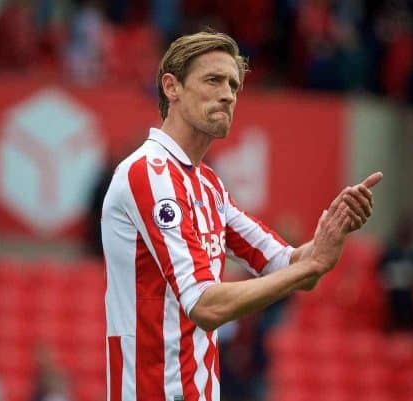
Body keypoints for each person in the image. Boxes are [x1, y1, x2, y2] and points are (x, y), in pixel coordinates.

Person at [101, 30, 383, 401]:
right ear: (172, 87)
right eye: (213, 80)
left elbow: (287, 264)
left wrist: (332, 233)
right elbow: (205, 305)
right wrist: (309, 268)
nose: (228, 94)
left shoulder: (209, 186)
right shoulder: (148, 173)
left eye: (234, 85)